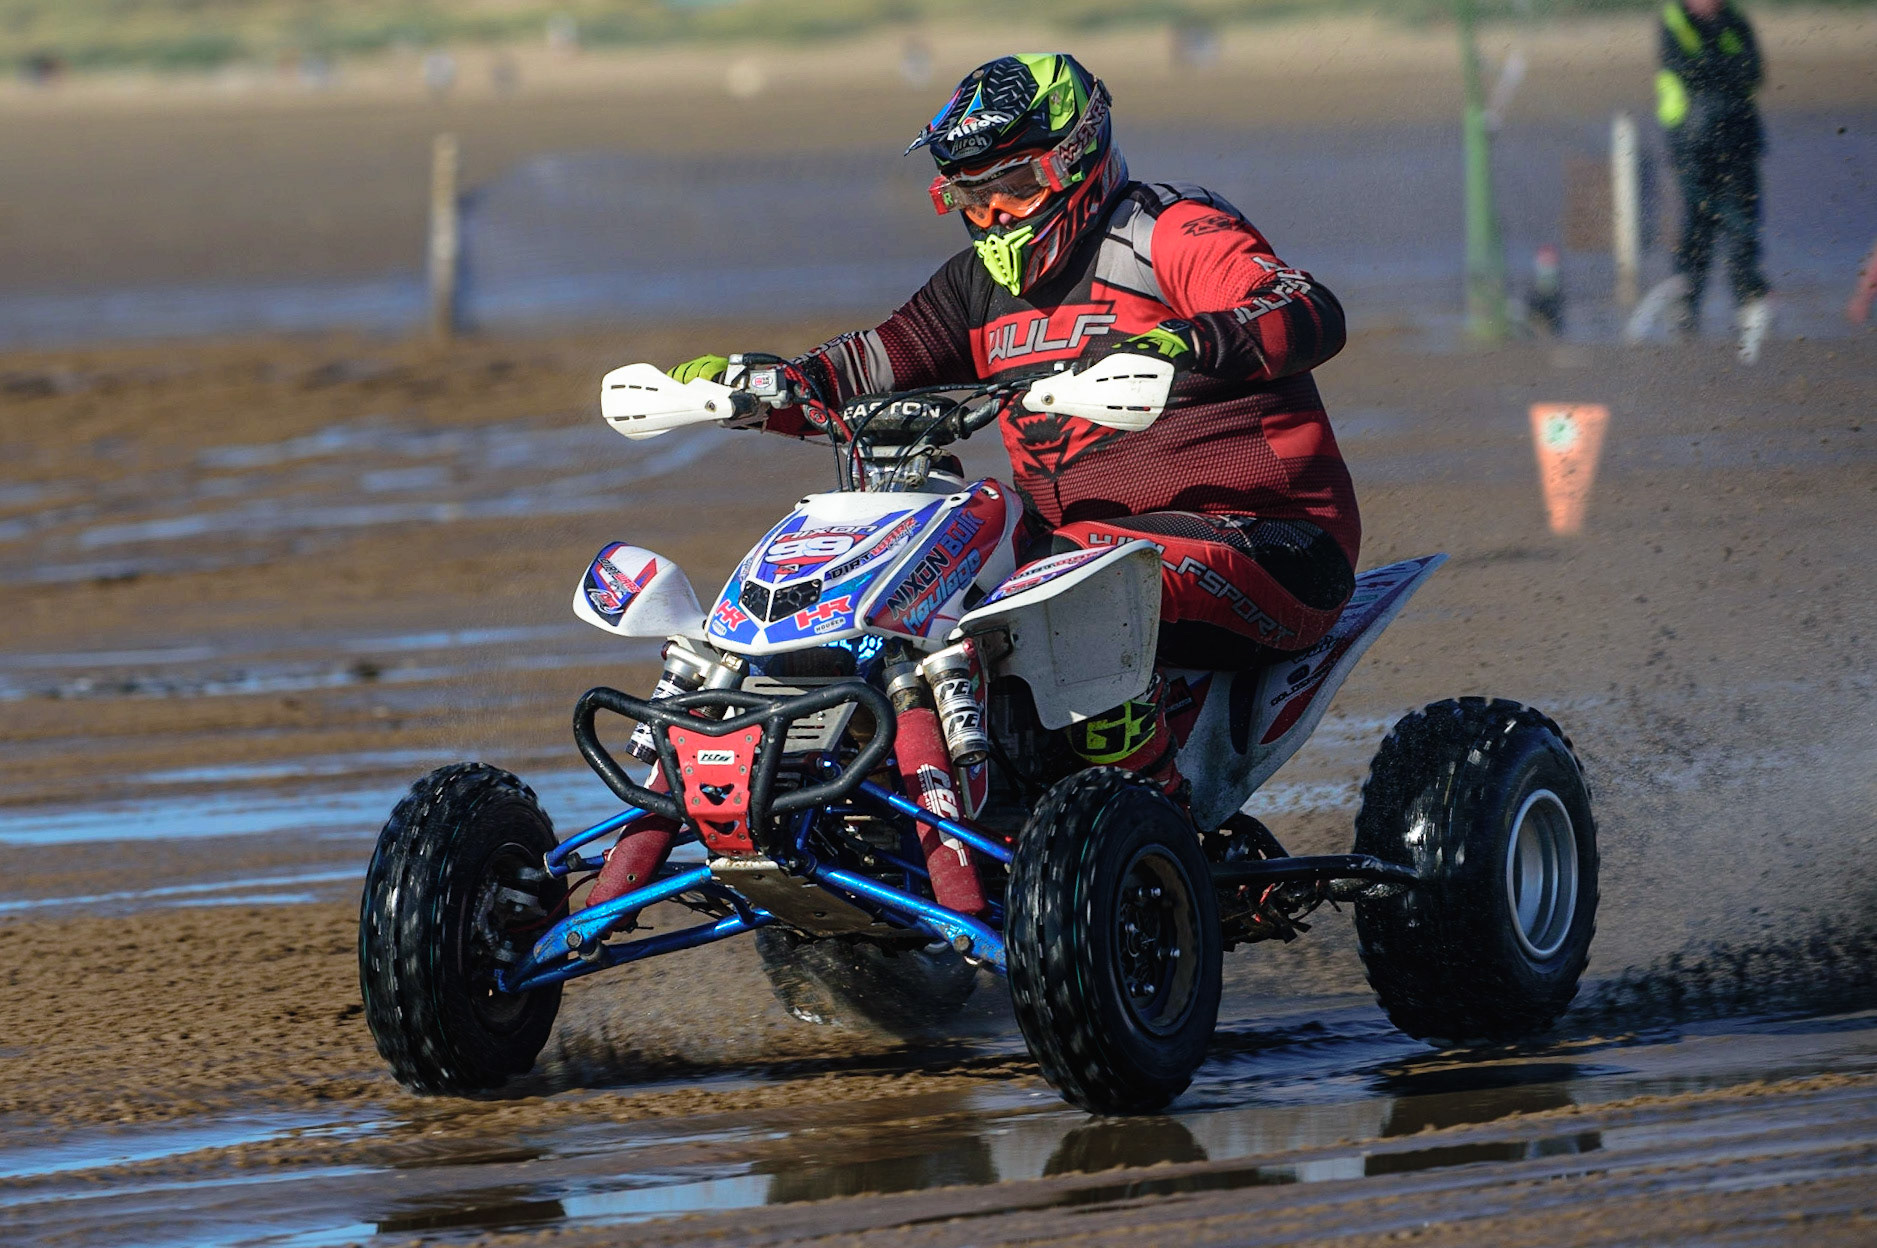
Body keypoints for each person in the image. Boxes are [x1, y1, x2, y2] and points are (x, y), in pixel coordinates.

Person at [669, 53, 1356, 800]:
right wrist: (759, 389)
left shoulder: (1167, 230)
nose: (993, 217)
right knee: (914, 568)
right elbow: (870, 364)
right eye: (971, 196)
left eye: (1015, 188)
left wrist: (1177, 346)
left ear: (1075, 160)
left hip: (1271, 538)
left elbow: (1301, 306)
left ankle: (1163, 817)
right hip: (1070, 552)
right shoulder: (975, 287)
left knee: (1073, 579)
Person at [1655, 0, 1771, 361]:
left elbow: (1753, 70)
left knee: (1742, 228)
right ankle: (1685, 311)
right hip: (1694, 146)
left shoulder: (1735, 19)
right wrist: (1725, 72)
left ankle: (1749, 308)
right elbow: (1687, 69)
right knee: (1697, 231)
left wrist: (1720, 71)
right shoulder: (1674, 22)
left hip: (1739, 143)